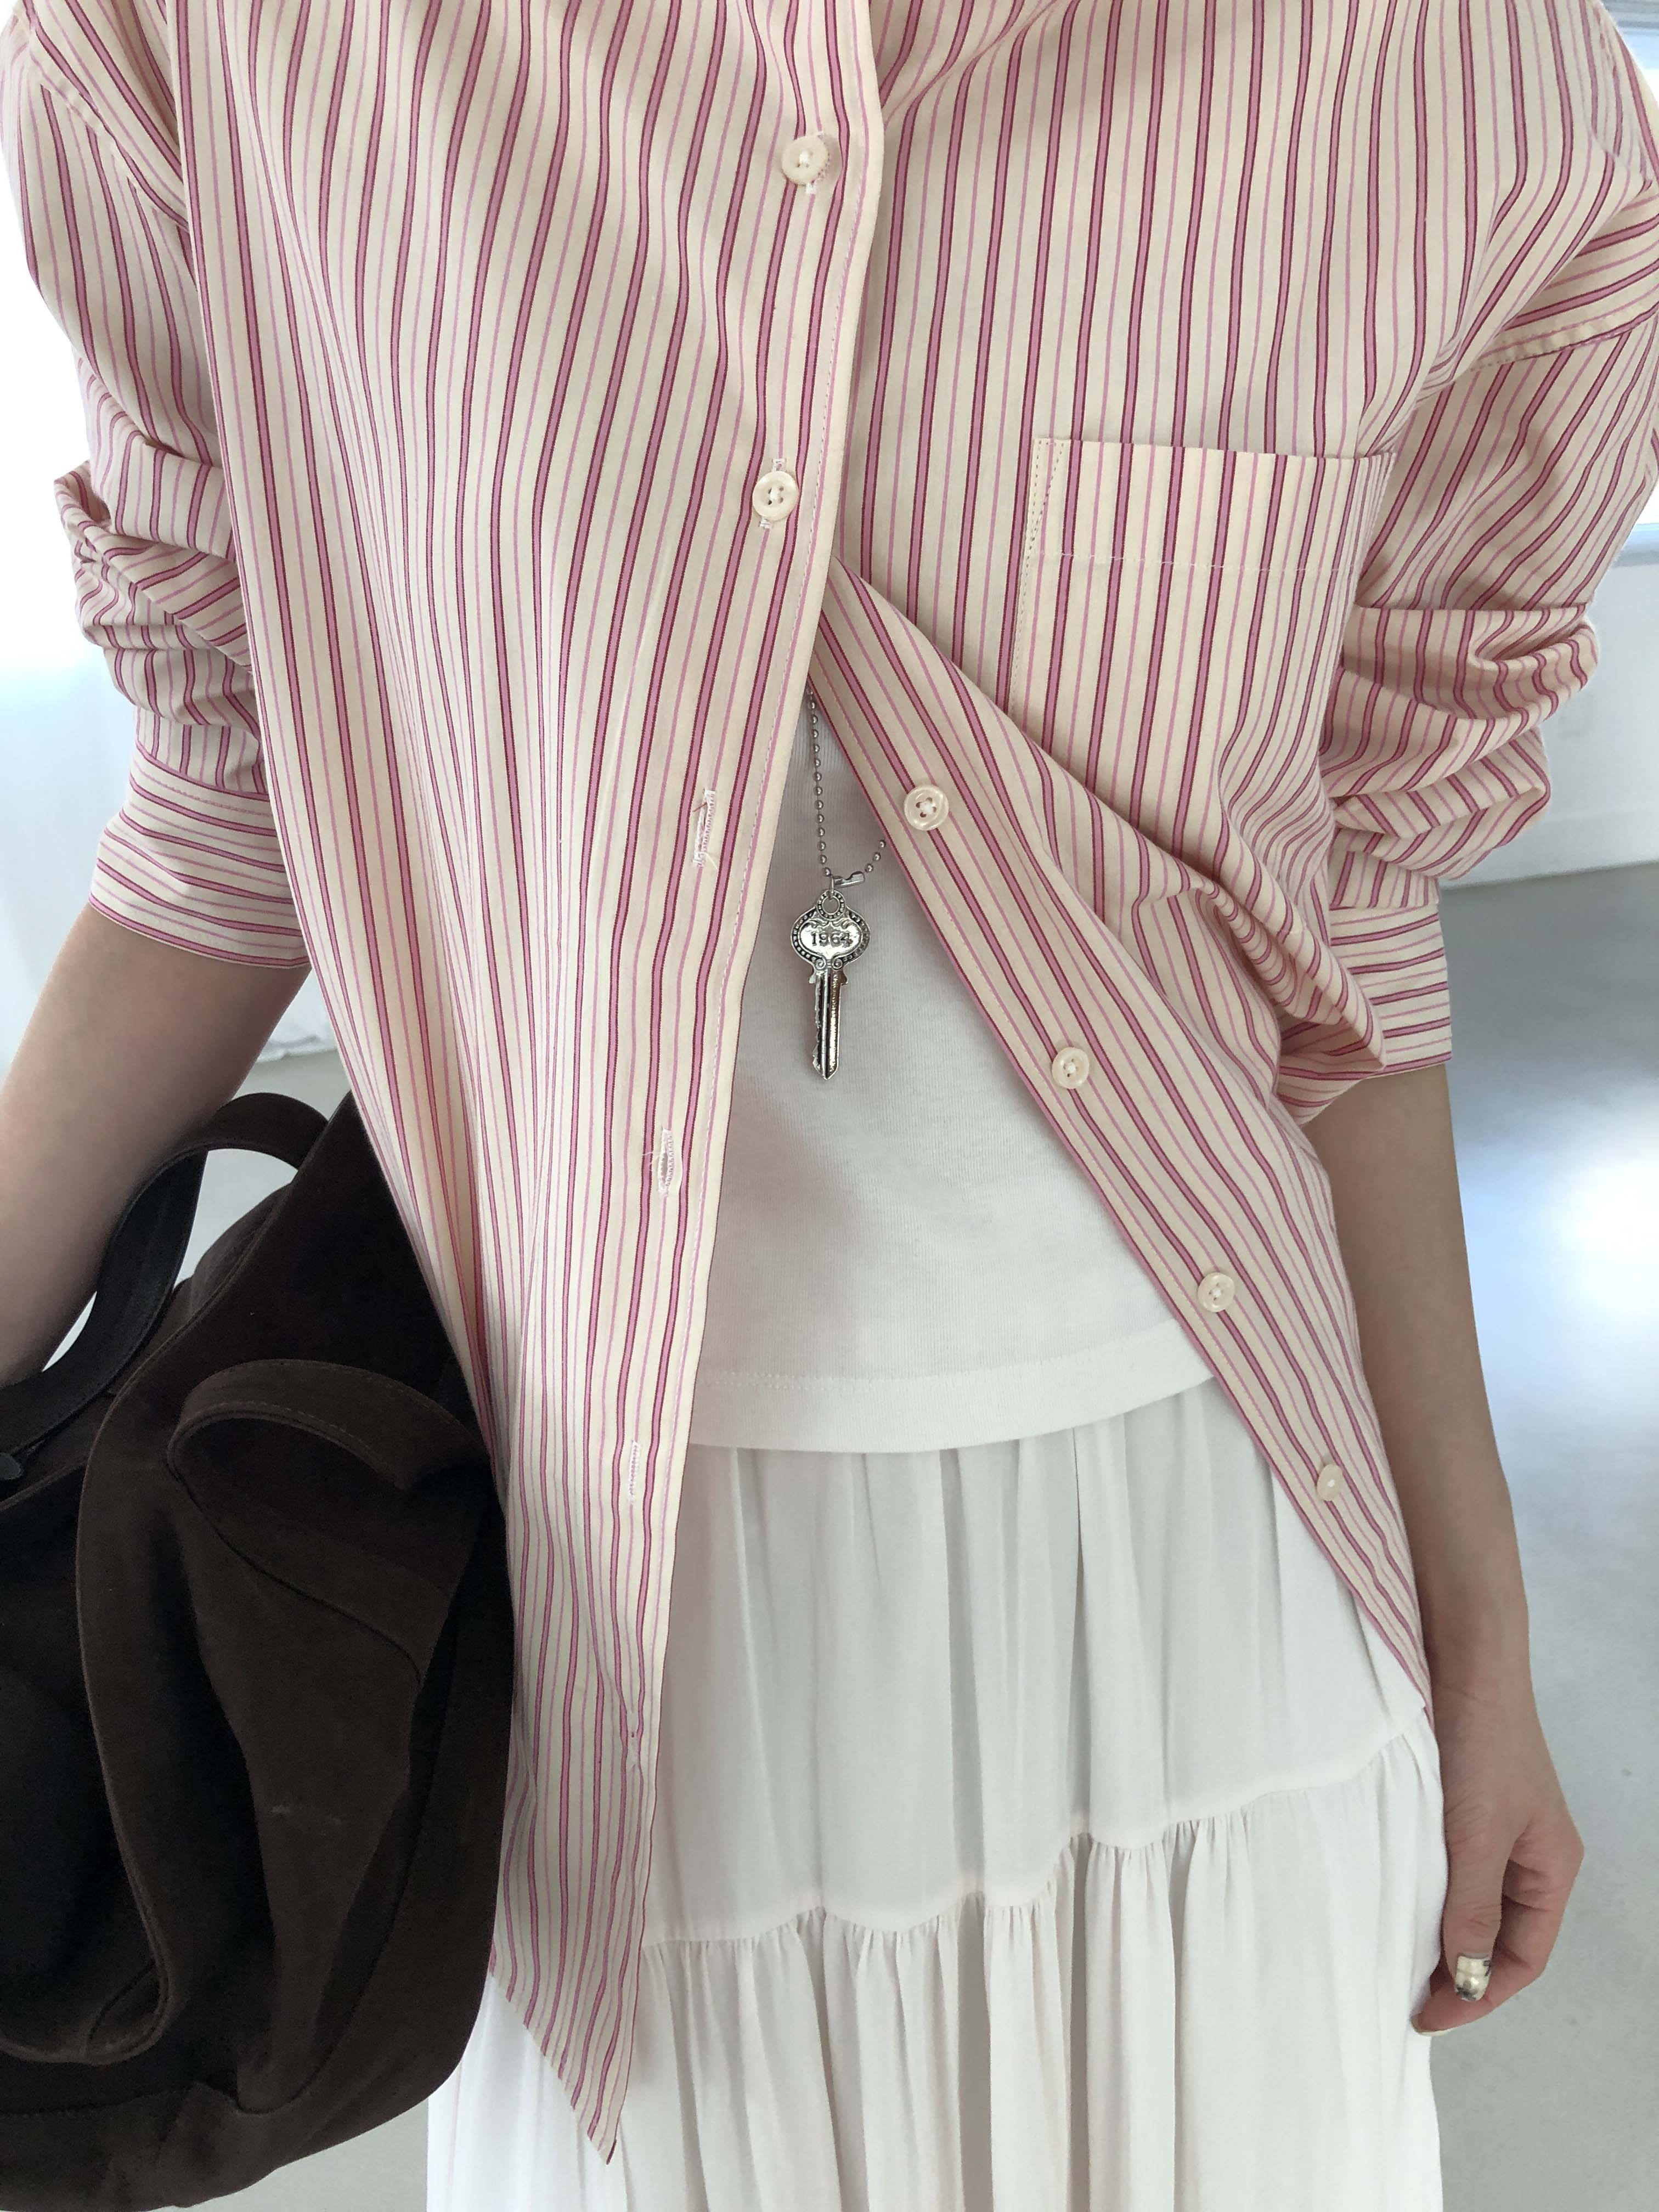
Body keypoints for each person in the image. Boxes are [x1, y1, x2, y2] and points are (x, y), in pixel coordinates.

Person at [4, 0, 1651, 2202]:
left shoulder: (1454, 83)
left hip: (1218, 1594)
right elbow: (232, 814)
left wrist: (1480, 1638)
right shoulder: (235, 46)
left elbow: (1346, 937)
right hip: (625, 1642)